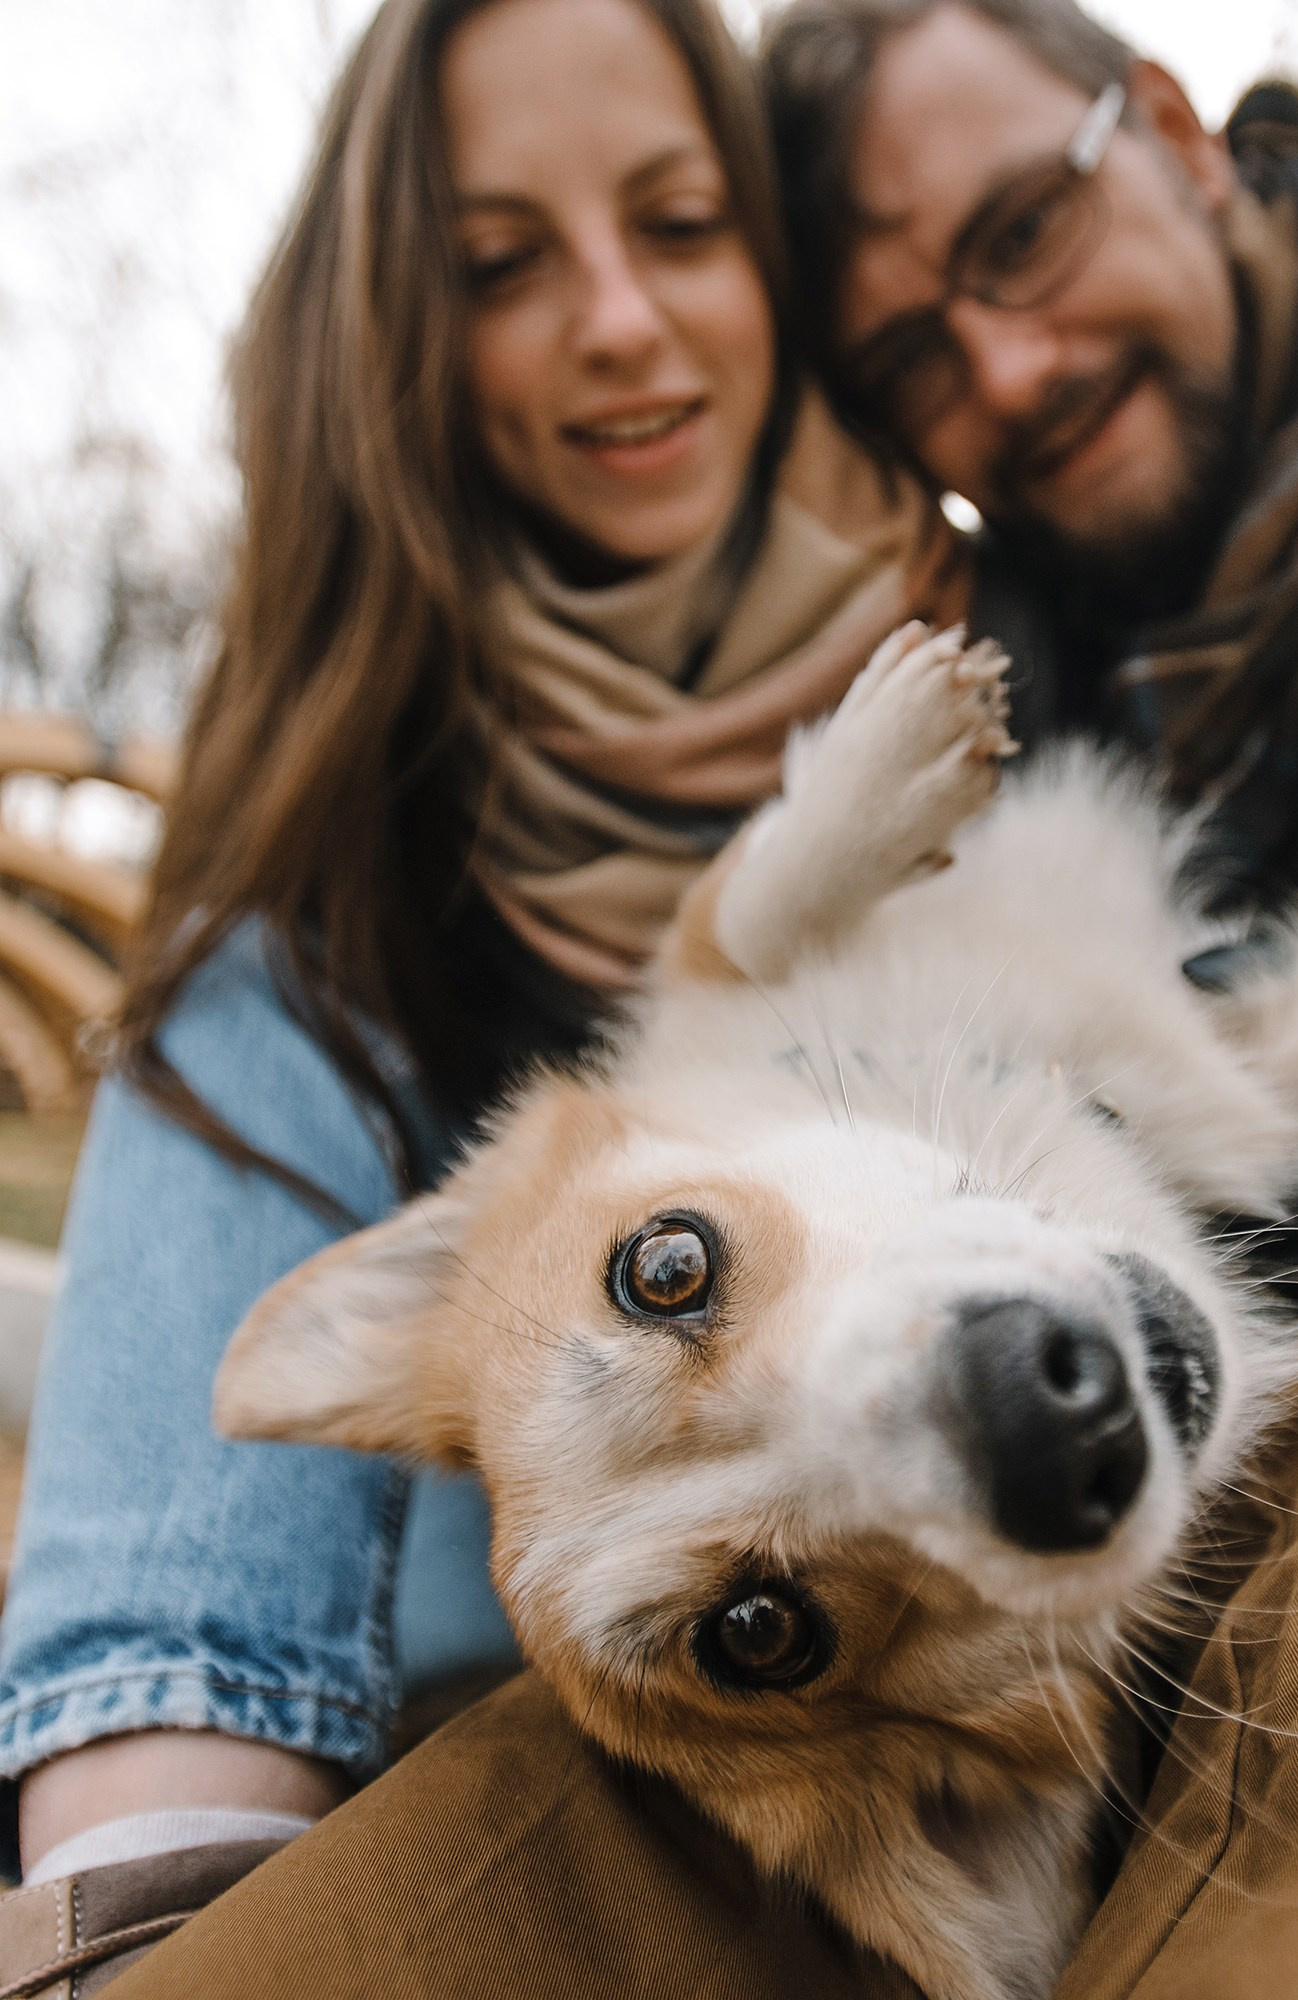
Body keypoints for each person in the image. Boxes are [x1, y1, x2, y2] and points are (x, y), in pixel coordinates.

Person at [19, 1, 1298, 1995]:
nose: (1007, 368)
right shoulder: (1006, 627)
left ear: (1165, 122)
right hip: (1084, 1442)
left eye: (1021, 236)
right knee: (660, 1760)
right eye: (905, 354)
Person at [0, 0, 963, 1988]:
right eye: (502, 264)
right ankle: (144, 1926)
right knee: (255, 981)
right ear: (406, 349)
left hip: (967, 1675)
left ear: (778, 265)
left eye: (678, 223)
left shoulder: (1026, 684)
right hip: (487, 1776)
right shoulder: (344, 896)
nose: (616, 318)